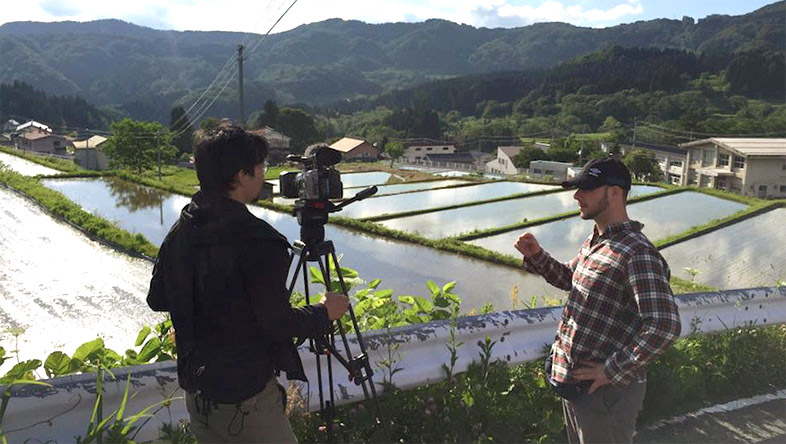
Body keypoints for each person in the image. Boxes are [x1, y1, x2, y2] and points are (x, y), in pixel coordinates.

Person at [147, 124, 349, 443]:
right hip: (246, 401)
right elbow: (276, 324)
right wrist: (325, 312)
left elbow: (158, 299)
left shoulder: (185, 224)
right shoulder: (260, 241)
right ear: (242, 175)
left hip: (198, 392)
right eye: (260, 167)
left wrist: (200, 316)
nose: (263, 174)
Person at [514, 156, 682, 444]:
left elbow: (664, 325)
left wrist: (612, 370)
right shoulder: (598, 243)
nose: (577, 196)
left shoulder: (636, 254)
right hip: (579, 387)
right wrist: (536, 257)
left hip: (606, 394)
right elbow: (571, 279)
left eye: (587, 188)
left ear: (615, 192)